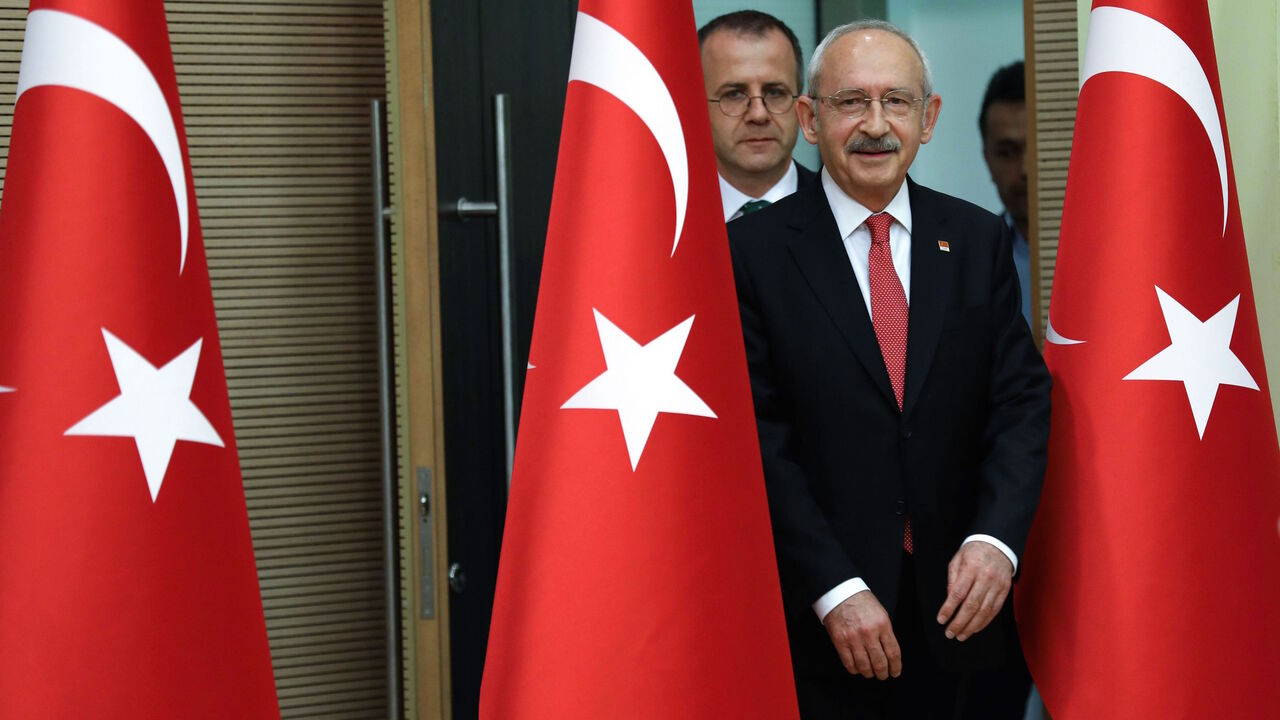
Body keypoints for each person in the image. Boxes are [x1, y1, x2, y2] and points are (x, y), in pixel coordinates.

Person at [728, 20, 1051, 719]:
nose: (876, 125)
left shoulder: (974, 240)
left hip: (962, 618)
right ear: (811, 120)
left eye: (897, 102)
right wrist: (835, 588)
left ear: (927, 118)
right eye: (851, 102)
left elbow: (1021, 403)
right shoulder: (750, 253)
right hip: (818, 627)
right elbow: (757, 440)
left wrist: (996, 542)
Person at [698, 11, 819, 221]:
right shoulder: (660, 218)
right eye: (734, 94)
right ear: (696, 108)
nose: (758, 114)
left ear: (802, 108)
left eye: (775, 93)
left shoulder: (841, 212)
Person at [979, 61, 1032, 327]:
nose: (1025, 169)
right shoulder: (975, 259)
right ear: (987, 159)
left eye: (1037, 150)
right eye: (1007, 152)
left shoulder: (1107, 253)